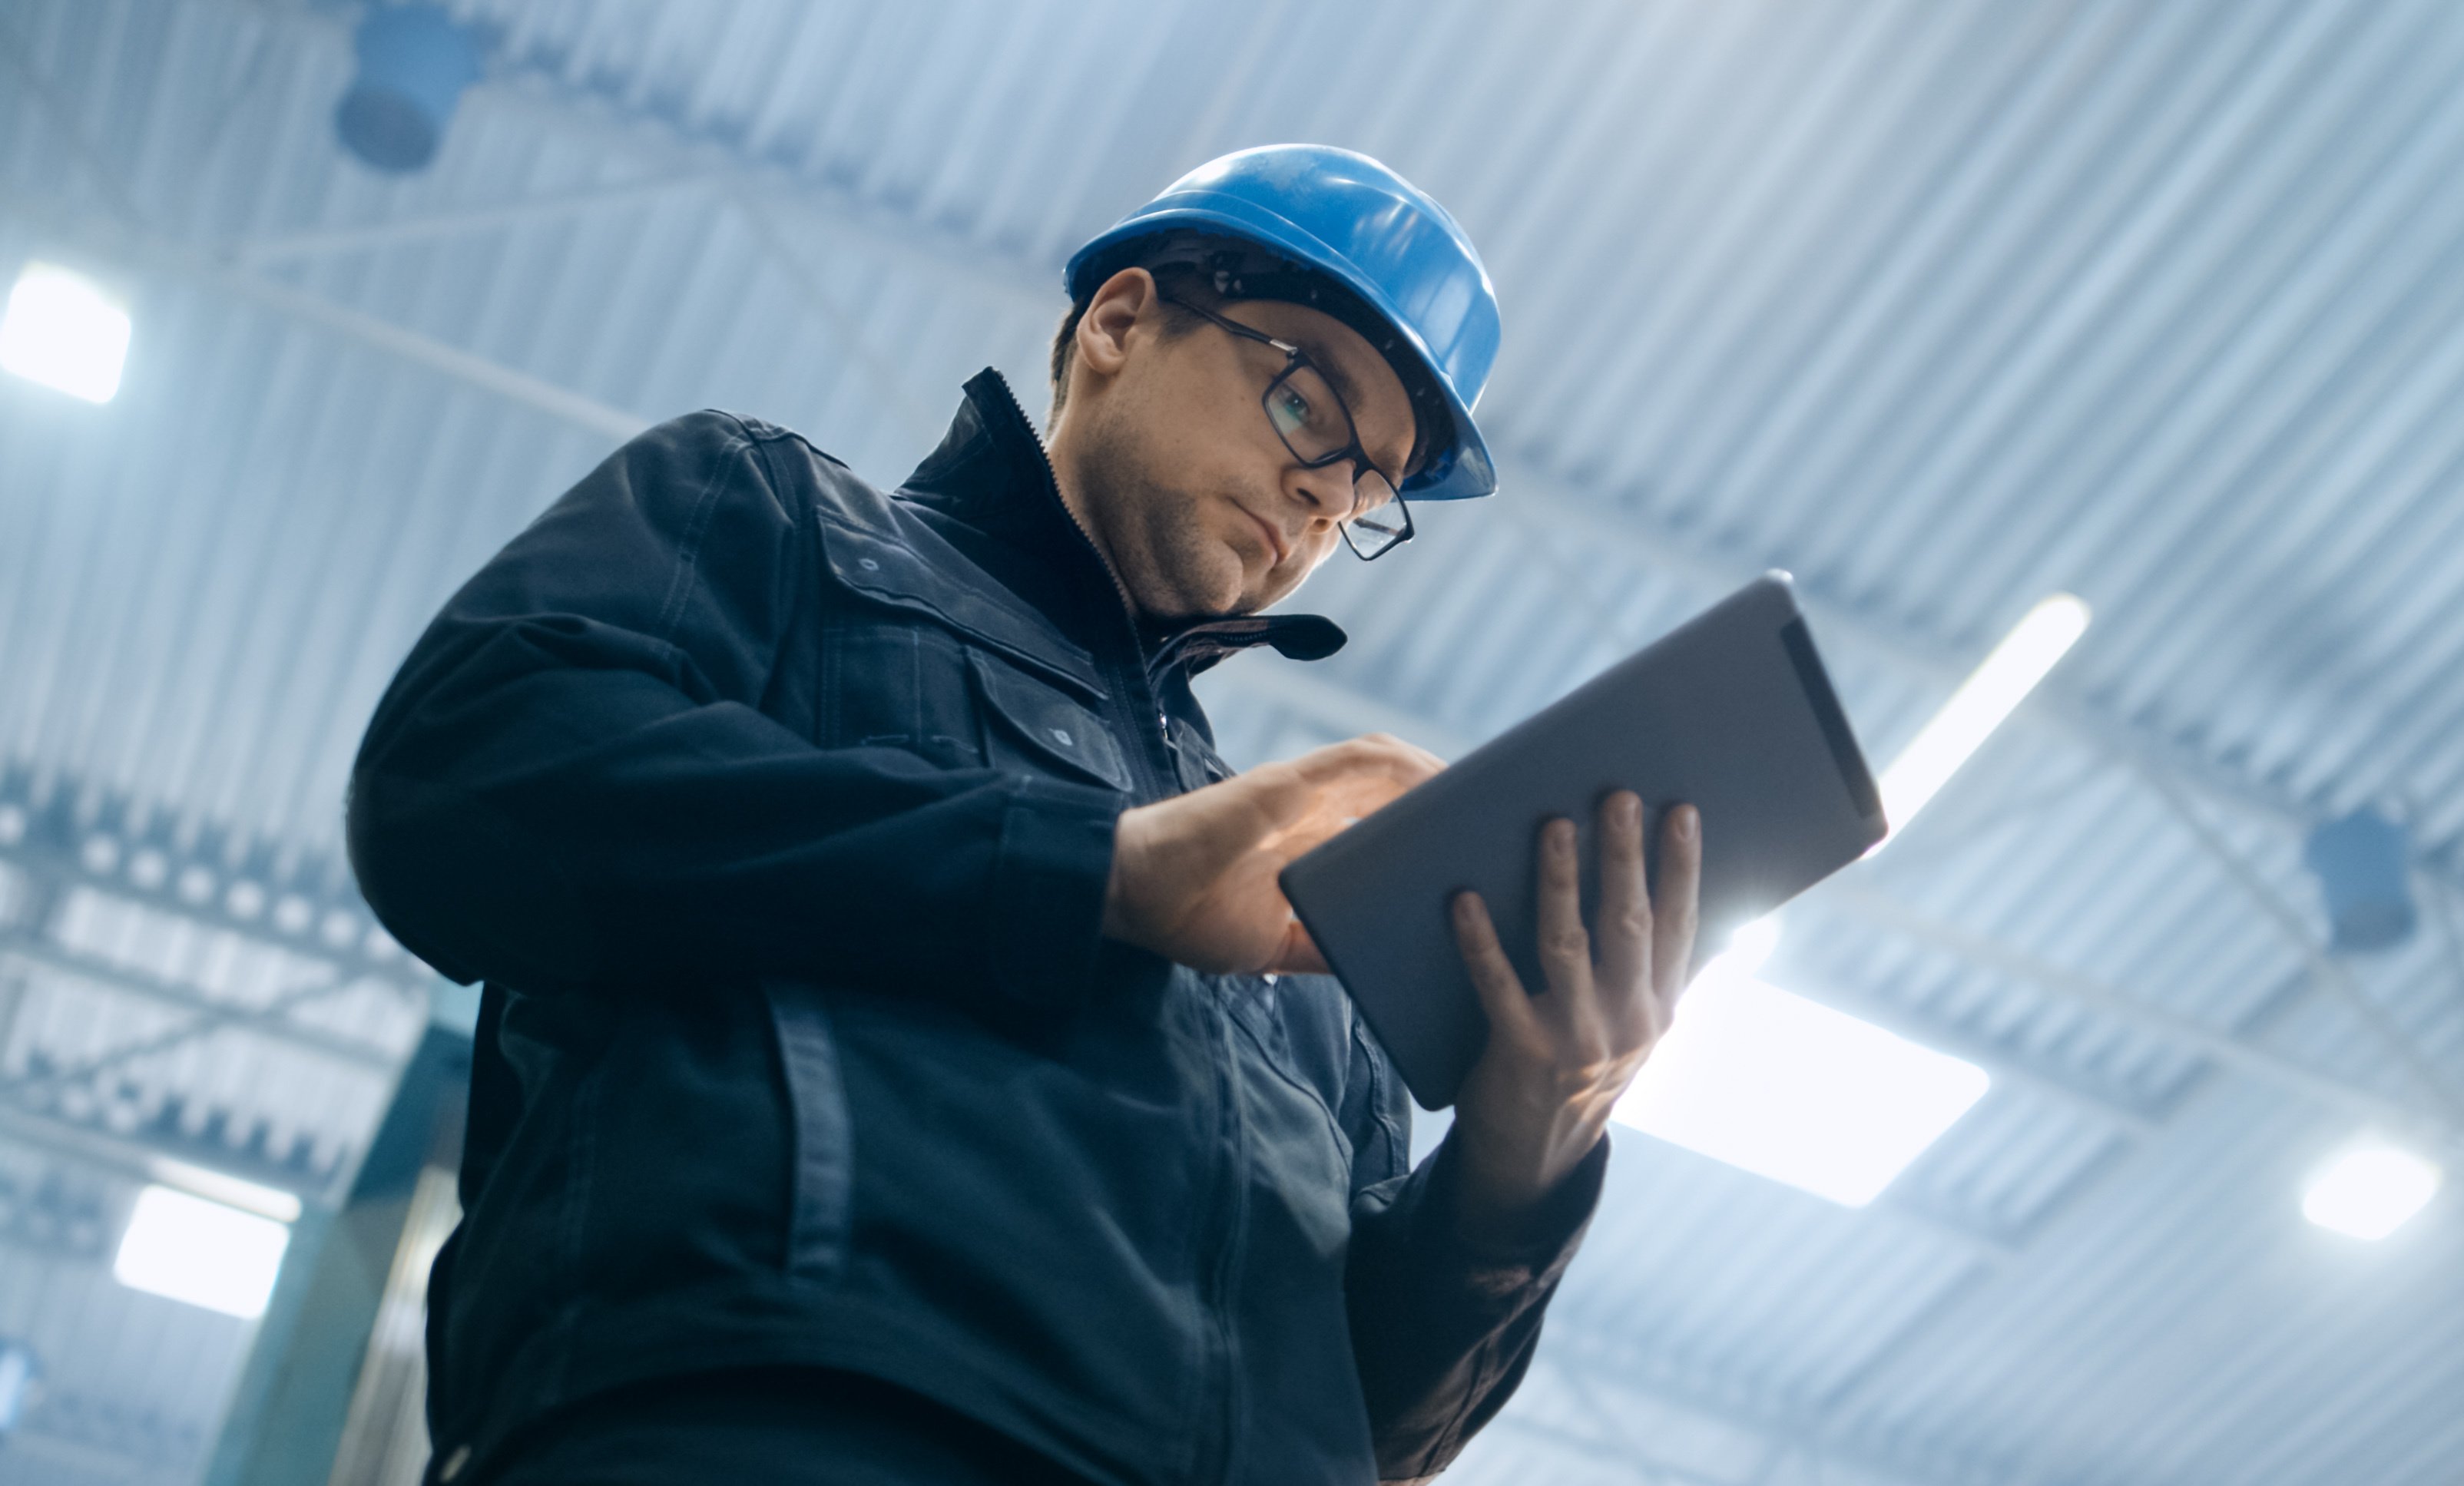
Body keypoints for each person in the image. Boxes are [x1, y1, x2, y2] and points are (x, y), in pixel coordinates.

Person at [347, 144, 1703, 1486]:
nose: (1321, 496)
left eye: (1366, 490)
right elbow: (463, 775)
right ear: (1120, 321)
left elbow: (1369, 1429)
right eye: (1307, 408)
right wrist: (1094, 873)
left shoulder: (1309, 925)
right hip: (781, 1426)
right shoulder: (774, 521)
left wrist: (1523, 1165)